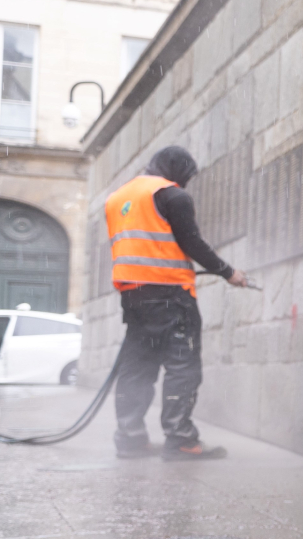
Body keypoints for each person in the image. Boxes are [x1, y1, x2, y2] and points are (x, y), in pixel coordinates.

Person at [104, 146, 246, 459]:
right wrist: (228, 272)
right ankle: (181, 439)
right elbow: (191, 242)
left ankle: (130, 438)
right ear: (176, 170)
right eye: (185, 177)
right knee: (183, 366)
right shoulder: (171, 195)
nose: (185, 185)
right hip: (171, 296)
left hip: (134, 297)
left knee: (138, 367)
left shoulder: (117, 198)